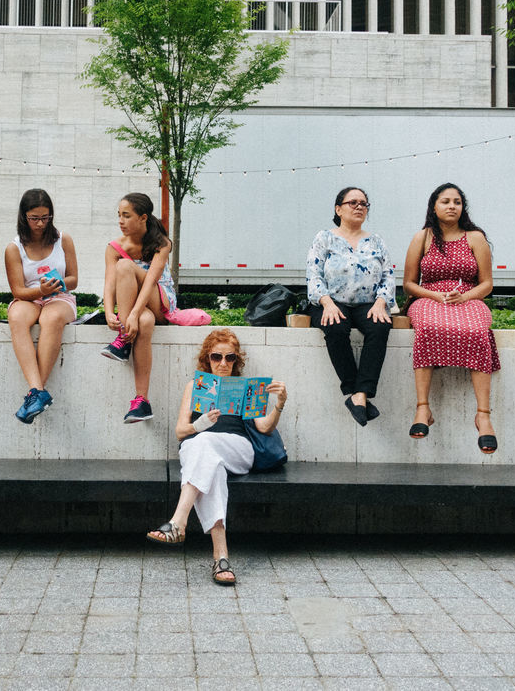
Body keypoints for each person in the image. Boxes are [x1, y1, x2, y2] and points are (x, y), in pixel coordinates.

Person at [146, 328, 288, 586]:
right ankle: (221, 558)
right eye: (216, 357)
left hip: (238, 449)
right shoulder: (195, 386)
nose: (223, 363)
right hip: (199, 448)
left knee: (205, 443)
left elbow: (264, 427)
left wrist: (278, 404)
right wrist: (199, 424)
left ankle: (179, 521)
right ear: (207, 359)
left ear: (237, 360)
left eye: (230, 358)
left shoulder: (246, 388)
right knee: (211, 465)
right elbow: (180, 432)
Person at [402, 183, 500, 453]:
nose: (451, 206)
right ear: (434, 206)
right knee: (427, 328)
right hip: (427, 297)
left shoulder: (475, 238)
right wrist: (434, 296)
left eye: (457, 202)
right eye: (445, 201)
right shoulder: (422, 237)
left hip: (467, 297)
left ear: (462, 207)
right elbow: (409, 283)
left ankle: (483, 416)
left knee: (478, 331)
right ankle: (423, 409)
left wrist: (465, 297)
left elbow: (487, 284)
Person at [306, 186, 395, 427]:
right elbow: (313, 274)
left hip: (369, 304)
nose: (359, 207)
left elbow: (388, 275)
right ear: (338, 209)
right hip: (331, 301)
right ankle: (355, 391)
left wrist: (381, 302)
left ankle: (360, 395)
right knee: (335, 327)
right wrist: (326, 303)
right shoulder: (324, 238)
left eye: (364, 203)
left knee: (380, 327)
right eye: (352, 202)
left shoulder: (376, 240)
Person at [101, 192, 176, 424]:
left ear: (143, 217)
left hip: (158, 299)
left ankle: (123, 339)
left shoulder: (162, 244)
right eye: (119, 216)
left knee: (125, 266)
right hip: (137, 309)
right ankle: (141, 401)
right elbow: (108, 285)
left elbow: (151, 280)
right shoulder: (114, 247)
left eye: (126, 216)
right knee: (144, 322)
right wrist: (107, 312)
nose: (121, 221)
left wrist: (130, 314)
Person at [5, 188, 78, 423]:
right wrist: (40, 291)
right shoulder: (14, 248)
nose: (40, 223)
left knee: (52, 319)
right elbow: (18, 290)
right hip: (30, 296)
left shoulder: (62, 239)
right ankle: (38, 391)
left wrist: (55, 285)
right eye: (34, 218)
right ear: (23, 217)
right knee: (16, 318)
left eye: (45, 218)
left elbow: (74, 280)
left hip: (59, 295)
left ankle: (35, 394)